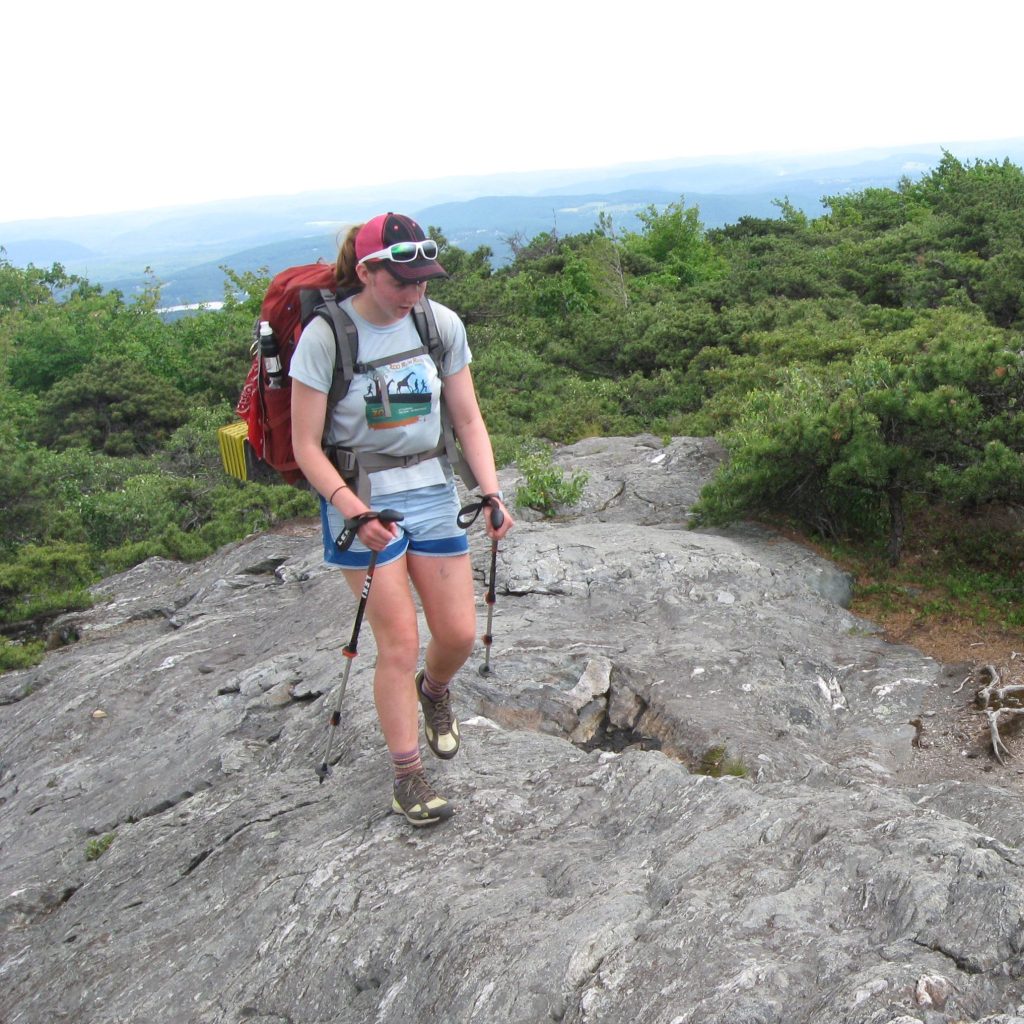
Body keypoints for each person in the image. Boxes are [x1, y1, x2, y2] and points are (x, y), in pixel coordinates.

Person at [290, 212, 513, 826]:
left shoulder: (437, 324)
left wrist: (490, 493)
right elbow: (306, 444)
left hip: (432, 488)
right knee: (399, 642)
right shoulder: (326, 336)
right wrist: (353, 512)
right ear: (366, 271)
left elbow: (467, 418)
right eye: (402, 281)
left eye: (424, 280)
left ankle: (434, 692)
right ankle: (407, 775)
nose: (416, 292)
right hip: (362, 499)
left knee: (459, 634)